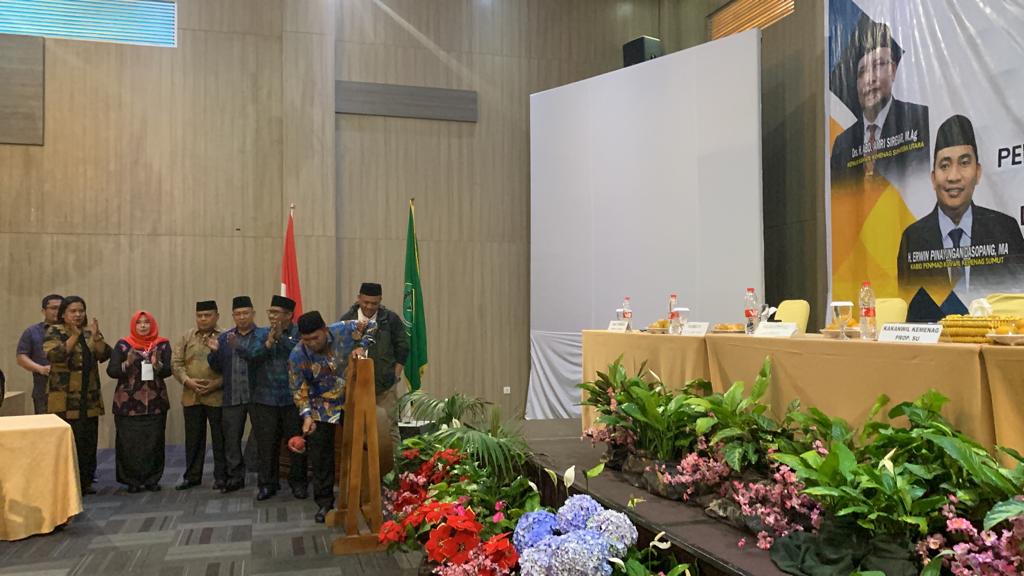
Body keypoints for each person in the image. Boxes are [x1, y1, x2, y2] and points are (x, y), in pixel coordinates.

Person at [897, 114, 1024, 298]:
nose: (953, 176)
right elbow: (909, 310)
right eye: (945, 165)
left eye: (964, 163)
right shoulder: (912, 240)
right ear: (933, 178)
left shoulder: (1005, 230)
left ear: (978, 172)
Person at [288, 311, 372, 523]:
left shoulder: (344, 329)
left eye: (315, 337)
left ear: (325, 330)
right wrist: (306, 416)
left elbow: (371, 325)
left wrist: (364, 345)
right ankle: (325, 504)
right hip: (320, 407)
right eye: (306, 339)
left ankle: (363, 499)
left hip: (351, 401)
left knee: (361, 447)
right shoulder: (297, 355)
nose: (311, 343)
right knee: (320, 456)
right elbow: (299, 389)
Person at [830, 17, 929, 186]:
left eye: (877, 66)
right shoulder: (842, 144)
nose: (869, 79)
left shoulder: (919, 120)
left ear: (893, 70)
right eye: (862, 72)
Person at [240, 295, 306, 501]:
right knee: (266, 445)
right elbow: (251, 356)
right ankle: (268, 484)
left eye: (276, 313)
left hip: (293, 399)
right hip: (265, 399)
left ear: (289, 315)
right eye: (270, 312)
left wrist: (281, 339)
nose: (272, 317)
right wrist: (269, 342)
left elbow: (300, 352)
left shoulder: (299, 333)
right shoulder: (260, 333)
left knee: (296, 444)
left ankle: (299, 483)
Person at [42, 296, 111, 495]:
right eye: (73, 311)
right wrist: (74, 336)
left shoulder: (90, 332)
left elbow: (104, 355)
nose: (78, 315)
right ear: (63, 314)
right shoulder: (53, 331)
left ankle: (86, 481)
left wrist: (97, 337)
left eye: (81, 310)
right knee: (69, 441)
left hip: (88, 397)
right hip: (63, 399)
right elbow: (56, 356)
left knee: (88, 440)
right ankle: (69, 484)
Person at [107, 311, 172, 493]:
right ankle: (132, 481)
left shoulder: (162, 345)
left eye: (146, 323)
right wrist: (126, 364)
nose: (143, 326)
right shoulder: (123, 345)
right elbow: (111, 371)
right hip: (128, 404)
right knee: (129, 444)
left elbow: (167, 371)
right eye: (139, 323)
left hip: (155, 403)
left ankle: (152, 479)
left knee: (154, 442)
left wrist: (157, 364)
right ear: (133, 326)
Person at [338, 282, 409, 448]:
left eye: (374, 303)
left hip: (384, 386)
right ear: (359, 299)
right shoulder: (347, 319)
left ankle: (394, 471)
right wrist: (355, 338)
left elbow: (403, 348)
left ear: (380, 300)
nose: (369, 307)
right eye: (365, 302)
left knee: (389, 428)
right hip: (355, 387)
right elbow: (338, 352)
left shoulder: (390, 319)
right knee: (357, 429)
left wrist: (395, 375)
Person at [207, 295, 261, 493]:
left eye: (245, 313)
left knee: (263, 438)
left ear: (253, 313)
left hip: (257, 396)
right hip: (232, 397)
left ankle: (265, 477)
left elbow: (261, 359)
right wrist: (213, 353)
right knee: (231, 440)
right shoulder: (224, 338)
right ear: (232, 316)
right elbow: (216, 367)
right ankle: (235, 477)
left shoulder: (261, 336)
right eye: (237, 314)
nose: (242, 317)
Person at [172, 300, 226, 490]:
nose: (203, 319)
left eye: (208, 315)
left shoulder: (225, 337)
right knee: (193, 439)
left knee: (220, 438)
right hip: (191, 395)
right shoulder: (187, 336)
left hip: (217, 395)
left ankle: (221, 476)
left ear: (217, 316)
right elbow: (176, 363)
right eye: (200, 315)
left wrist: (215, 384)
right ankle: (192, 476)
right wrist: (187, 381)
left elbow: (231, 367)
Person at [16, 294, 63, 414]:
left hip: (71, 393)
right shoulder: (32, 332)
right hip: (44, 390)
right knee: (46, 429)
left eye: (61, 308)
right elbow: (21, 356)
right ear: (43, 311)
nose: (57, 311)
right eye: (53, 308)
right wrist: (40, 368)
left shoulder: (73, 331)